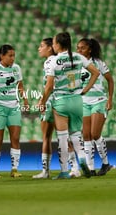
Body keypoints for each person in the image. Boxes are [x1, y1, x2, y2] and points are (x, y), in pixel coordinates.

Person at [38, 31, 99, 179]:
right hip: (77, 100)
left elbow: (49, 86)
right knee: (76, 134)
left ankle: (64, 171)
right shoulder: (78, 57)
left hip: (61, 101)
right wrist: (86, 89)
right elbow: (96, 73)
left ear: (58, 45)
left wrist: (42, 101)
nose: (53, 45)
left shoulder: (54, 61)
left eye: (53, 43)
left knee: (63, 137)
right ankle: (83, 158)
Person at [0, 44, 29, 179]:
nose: (12, 58)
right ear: (2, 56)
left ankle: (15, 169)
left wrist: (26, 101)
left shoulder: (17, 69)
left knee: (15, 138)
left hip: (14, 107)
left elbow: (20, 87)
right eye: (10, 55)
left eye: (14, 55)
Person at [77, 38, 115, 176]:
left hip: (99, 101)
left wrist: (110, 99)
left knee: (95, 134)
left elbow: (110, 80)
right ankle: (91, 168)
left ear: (90, 49)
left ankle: (105, 163)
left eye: (82, 48)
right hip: (84, 102)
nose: (79, 50)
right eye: (78, 47)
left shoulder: (98, 63)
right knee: (86, 135)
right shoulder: (76, 64)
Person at [32, 38, 56, 179]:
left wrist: (42, 100)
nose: (39, 49)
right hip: (62, 100)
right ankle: (74, 168)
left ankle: (45, 171)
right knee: (66, 136)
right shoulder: (61, 61)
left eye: (41, 46)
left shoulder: (49, 62)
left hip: (51, 101)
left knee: (46, 136)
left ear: (50, 48)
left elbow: (49, 85)